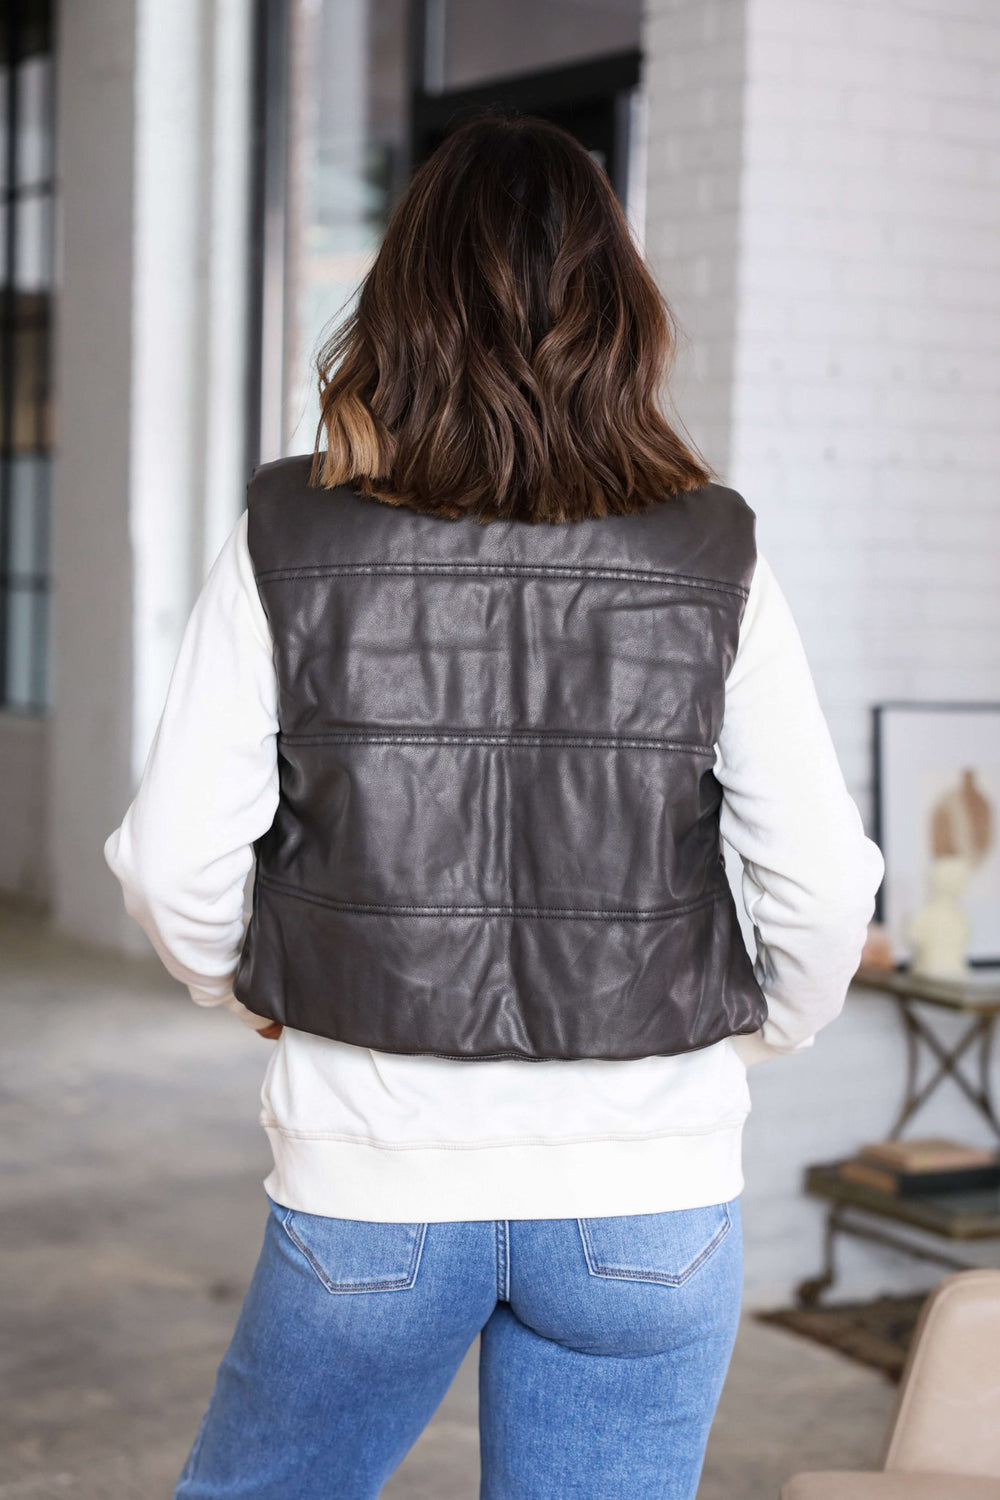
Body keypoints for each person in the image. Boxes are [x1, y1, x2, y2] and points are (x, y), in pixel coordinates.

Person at [105, 112, 885, 1500]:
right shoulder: (715, 549)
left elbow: (174, 864)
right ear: (621, 311)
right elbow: (822, 886)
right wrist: (748, 1046)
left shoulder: (289, 532)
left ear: (399, 301)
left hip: (373, 1181)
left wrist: (256, 993)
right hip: (649, 1194)